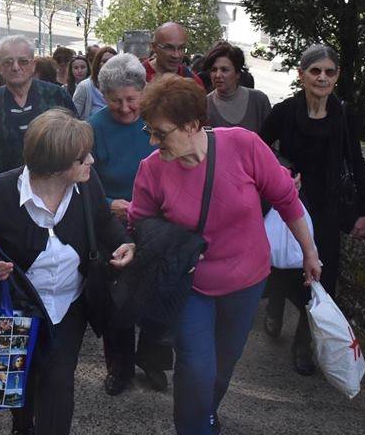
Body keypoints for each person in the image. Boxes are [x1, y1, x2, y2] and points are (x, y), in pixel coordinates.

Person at [129, 75, 320, 435]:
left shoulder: (243, 145)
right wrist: (140, 245)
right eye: (149, 131)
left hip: (246, 280)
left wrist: (309, 252)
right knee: (196, 367)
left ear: (191, 125)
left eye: (161, 132)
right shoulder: (152, 169)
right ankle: (195, 428)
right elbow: (141, 223)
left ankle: (204, 416)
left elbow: (285, 199)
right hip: (190, 286)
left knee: (223, 365)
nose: (154, 141)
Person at [0, 109, 136, 435]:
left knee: (59, 380)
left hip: (70, 307)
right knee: (20, 374)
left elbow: (104, 221)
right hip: (19, 308)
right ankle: (22, 426)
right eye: (83, 158)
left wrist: (124, 243)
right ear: (57, 167)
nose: (91, 161)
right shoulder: (1, 191)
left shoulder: (87, 182)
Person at [259, 44, 365, 375]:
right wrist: (283, 171)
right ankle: (276, 304)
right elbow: (257, 148)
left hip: (326, 207)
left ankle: (302, 344)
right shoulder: (285, 112)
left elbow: (357, 161)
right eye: (315, 71)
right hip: (288, 202)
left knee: (325, 276)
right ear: (302, 75)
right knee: (281, 265)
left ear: (337, 77)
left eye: (329, 72)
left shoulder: (344, 116)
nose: (322, 77)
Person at [86, 54, 171, 395]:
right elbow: (82, 183)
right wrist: (108, 203)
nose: (124, 108)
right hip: (112, 223)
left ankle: (153, 359)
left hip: (156, 220)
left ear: (143, 91)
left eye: (131, 99)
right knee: (115, 299)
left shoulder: (158, 121)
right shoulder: (93, 127)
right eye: (115, 100)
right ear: (103, 97)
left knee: (159, 293)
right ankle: (119, 366)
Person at [0, 35, 76, 205]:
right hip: (6, 201)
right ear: (0, 67)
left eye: (23, 61)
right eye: (8, 62)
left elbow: (77, 146)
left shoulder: (56, 97)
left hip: (56, 198)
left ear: (33, 65)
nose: (16, 67)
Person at [203, 42, 272, 132]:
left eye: (224, 70)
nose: (218, 75)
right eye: (213, 70)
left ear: (238, 73)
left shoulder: (259, 101)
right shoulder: (204, 106)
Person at [145, 23, 205, 89]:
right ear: (154, 47)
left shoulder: (193, 82)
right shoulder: (138, 76)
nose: (176, 55)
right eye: (169, 47)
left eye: (181, 48)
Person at [72, 46, 116, 120]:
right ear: (97, 63)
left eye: (113, 61)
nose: (109, 64)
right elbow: (73, 116)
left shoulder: (123, 86)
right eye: (104, 61)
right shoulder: (85, 87)